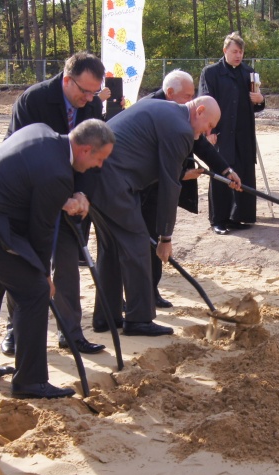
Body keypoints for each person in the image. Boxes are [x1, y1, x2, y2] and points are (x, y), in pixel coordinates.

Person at [0, 120, 116, 398]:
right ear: (84, 149)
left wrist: (65, 197)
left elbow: (30, 181)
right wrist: (43, 274)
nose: (99, 166)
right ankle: (30, 381)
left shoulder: (41, 131)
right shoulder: (57, 174)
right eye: (99, 159)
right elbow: (41, 232)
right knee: (34, 291)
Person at [0, 51, 108, 359]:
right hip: (29, 195)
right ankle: (15, 332)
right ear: (66, 79)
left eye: (93, 91)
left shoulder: (93, 105)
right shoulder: (33, 100)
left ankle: (70, 332)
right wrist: (59, 196)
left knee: (68, 264)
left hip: (71, 198)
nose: (88, 98)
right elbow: (22, 152)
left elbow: (93, 154)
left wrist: (83, 194)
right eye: (84, 90)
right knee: (27, 264)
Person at [89, 97, 224, 336]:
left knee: (111, 249)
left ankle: (107, 316)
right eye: (210, 124)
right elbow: (170, 186)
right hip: (115, 181)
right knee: (139, 244)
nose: (209, 132)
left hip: (96, 175)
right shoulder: (181, 129)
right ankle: (138, 319)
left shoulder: (168, 110)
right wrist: (165, 238)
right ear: (199, 111)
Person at [140, 70, 237, 308]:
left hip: (162, 182)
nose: (192, 101)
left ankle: (151, 291)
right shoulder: (153, 109)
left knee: (153, 237)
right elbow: (151, 160)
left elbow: (201, 144)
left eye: (194, 95)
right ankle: (137, 298)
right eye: (188, 95)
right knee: (145, 241)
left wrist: (225, 170)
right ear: (170, 93)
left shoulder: (184, 113)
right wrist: (182, 175)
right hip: (142, 186)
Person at [198, 32, 265, 235]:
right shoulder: (211, 72)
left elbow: (257, 106)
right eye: (234, 51)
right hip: (221, 132)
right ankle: (219, 219)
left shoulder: (248, 72)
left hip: (244, 133)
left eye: (241, 52)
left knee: (243, 171)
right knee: (222, 173)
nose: (238, 55)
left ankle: (239, 216)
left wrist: (260, 99)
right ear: (225, 50)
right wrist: (210, 131)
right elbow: (204, 101)